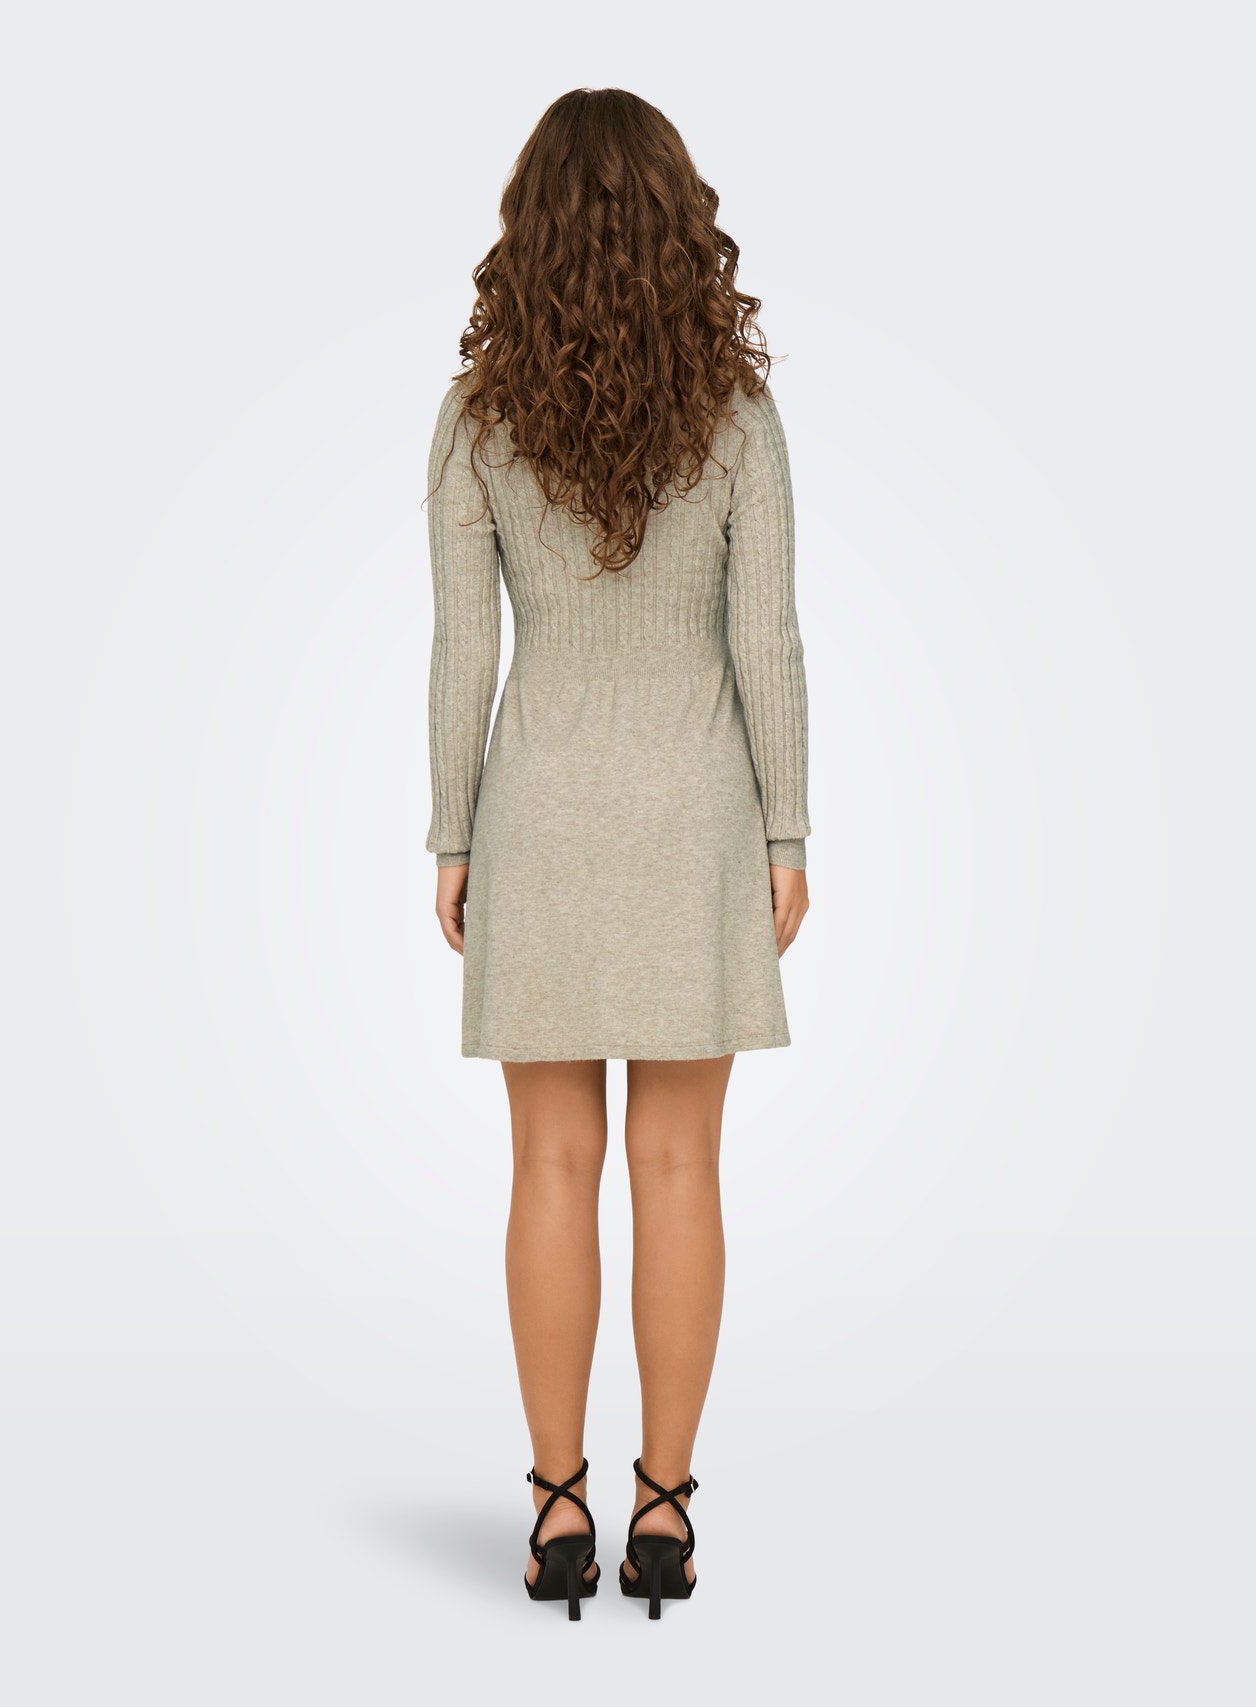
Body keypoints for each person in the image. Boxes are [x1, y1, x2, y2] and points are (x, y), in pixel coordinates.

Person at [423, 87, 811, 1620]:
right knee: (679, 1164)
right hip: (697, 815)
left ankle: (555, 1514)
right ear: (676, 227)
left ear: (526, 233)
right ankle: (665, 1514)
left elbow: (465, 648)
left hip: (542, 816)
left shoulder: (479, 419)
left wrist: (453, 833)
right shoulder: (737, 415)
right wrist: (786, 830)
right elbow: (766, 642)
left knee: (549, 1165)